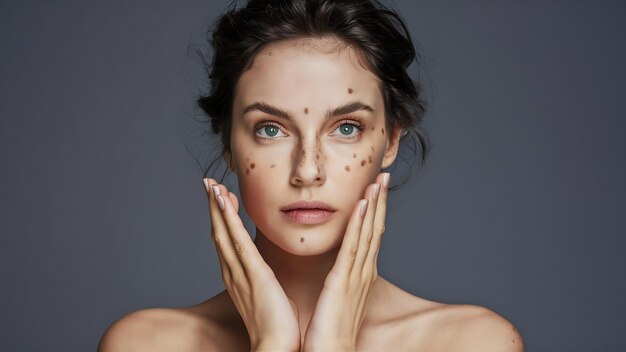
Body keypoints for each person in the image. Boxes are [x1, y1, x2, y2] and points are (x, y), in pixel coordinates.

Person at [98, 0, 523, 350]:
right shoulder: (144, 343)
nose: (307, 170)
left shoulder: (472, 342)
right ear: (228, 142)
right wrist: (271, 344)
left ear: (390, 140)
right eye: (270, 129)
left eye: (346, 128)